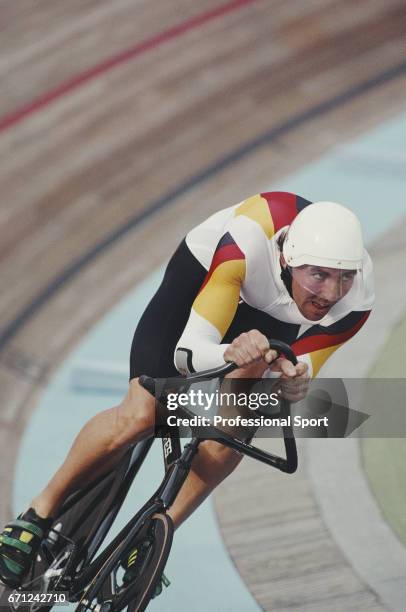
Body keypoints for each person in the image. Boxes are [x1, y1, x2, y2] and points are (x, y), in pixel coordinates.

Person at [0, 192, 374, 589]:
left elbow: (301, 369)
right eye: (318, 275)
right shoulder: (246, 241)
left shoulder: (358, 298)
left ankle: (154, 538)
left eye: (343, 277)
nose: (331, 293)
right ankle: (37, 514)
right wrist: (232, 351)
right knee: (142, 414)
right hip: (207, 278)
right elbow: (188, 354)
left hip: (270, 317)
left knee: (234, 433)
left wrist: (291, 379)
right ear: (287, 259)